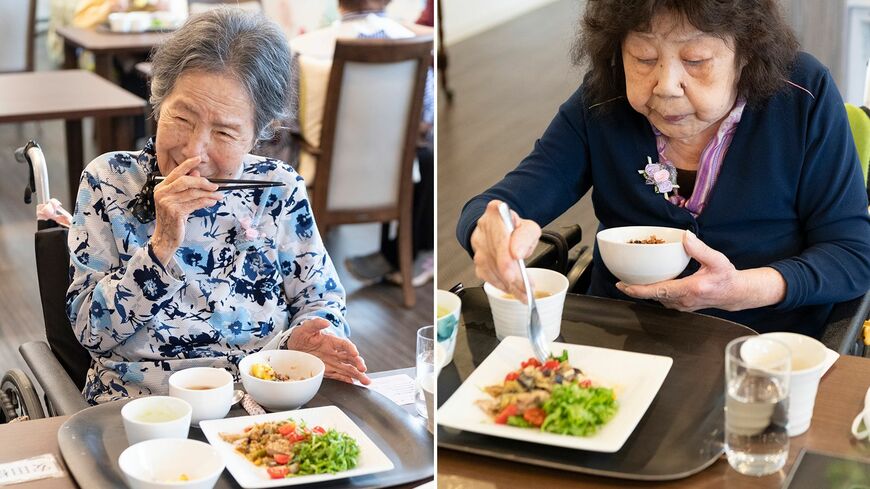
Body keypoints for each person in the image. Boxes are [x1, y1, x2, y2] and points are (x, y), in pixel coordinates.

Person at [457, 0, 870, 338]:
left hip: (760, 348)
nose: (666, 84)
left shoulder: (802, 95)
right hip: (623, 340)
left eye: (695, 60)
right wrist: (490, 230)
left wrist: (741, 290)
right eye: (644, 57)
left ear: (746, 54)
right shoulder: (602, 99)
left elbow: (852, 254)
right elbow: (498, 204)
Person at [66, 8, 369, 405]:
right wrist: (161, 247)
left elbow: (321, 300)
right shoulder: (109, 181)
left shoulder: (277, 189)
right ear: (159, 104)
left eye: (224, 131)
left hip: (260, 400)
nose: (194, 151)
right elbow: (91, 333)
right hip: (141, 410)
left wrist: (307, 339)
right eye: (182, 118)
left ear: (258, 134)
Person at [289, 0, 435, 288]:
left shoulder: (305, 47)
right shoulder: (412, 43)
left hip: (331, 173)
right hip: (392, 172)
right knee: (427, 153)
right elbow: (427, 116)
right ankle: (412, 254)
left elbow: (287, 120)